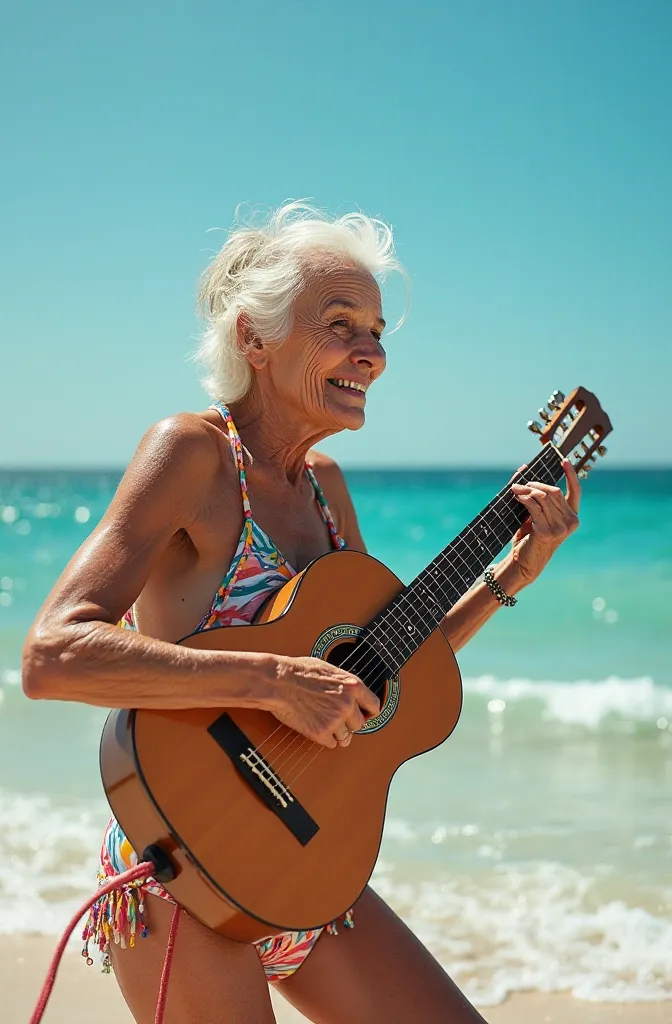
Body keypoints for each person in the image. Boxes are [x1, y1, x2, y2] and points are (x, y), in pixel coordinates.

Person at [22, 202, 581, 1024]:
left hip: (303, 866)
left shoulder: (326, 490)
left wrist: (514, 572)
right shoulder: (193, 454)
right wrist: (273, 678)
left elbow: (388, 668)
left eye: (378, 330)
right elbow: (52, 655)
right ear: (255, 340)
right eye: (341, 324)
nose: (373, 353)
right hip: (180, 867)